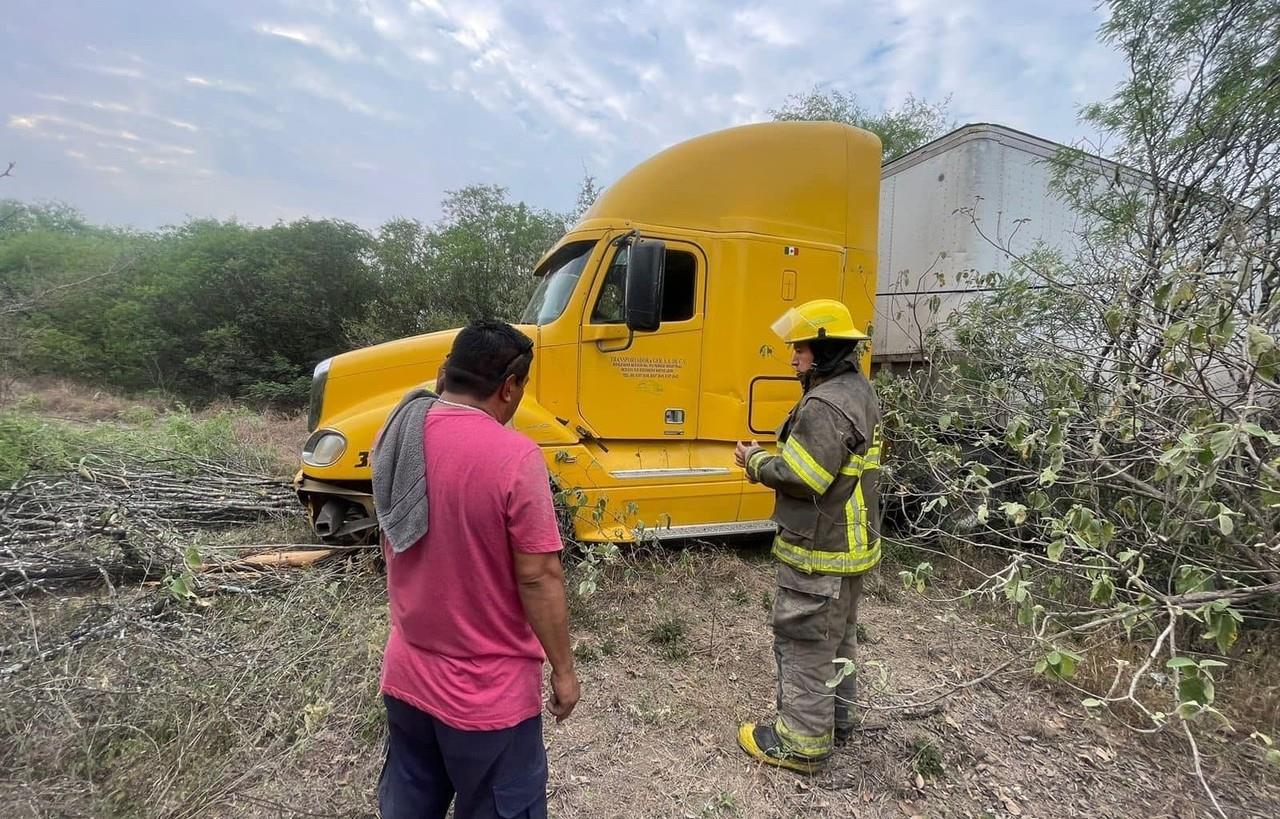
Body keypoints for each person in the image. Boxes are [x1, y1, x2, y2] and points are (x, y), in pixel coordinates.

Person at [372, 319, 579, 819]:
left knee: (409, 803)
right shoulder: (515, 456)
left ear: (447, 373)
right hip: (487, 701)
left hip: (406, 675)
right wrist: (565, 672)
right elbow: (538, 576)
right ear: (509, 387)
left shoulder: (397, 434)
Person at [733, 299, 883, 774]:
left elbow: (804, 476)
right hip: (852, 545)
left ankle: (801, 744)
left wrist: (754, 462)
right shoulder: (859, 390)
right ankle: (837, 720)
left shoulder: (824, 405)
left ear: (822, 351)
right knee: (838, 638)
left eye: (799, 348)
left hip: (822, 546)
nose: (793, 356)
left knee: (804, 638)